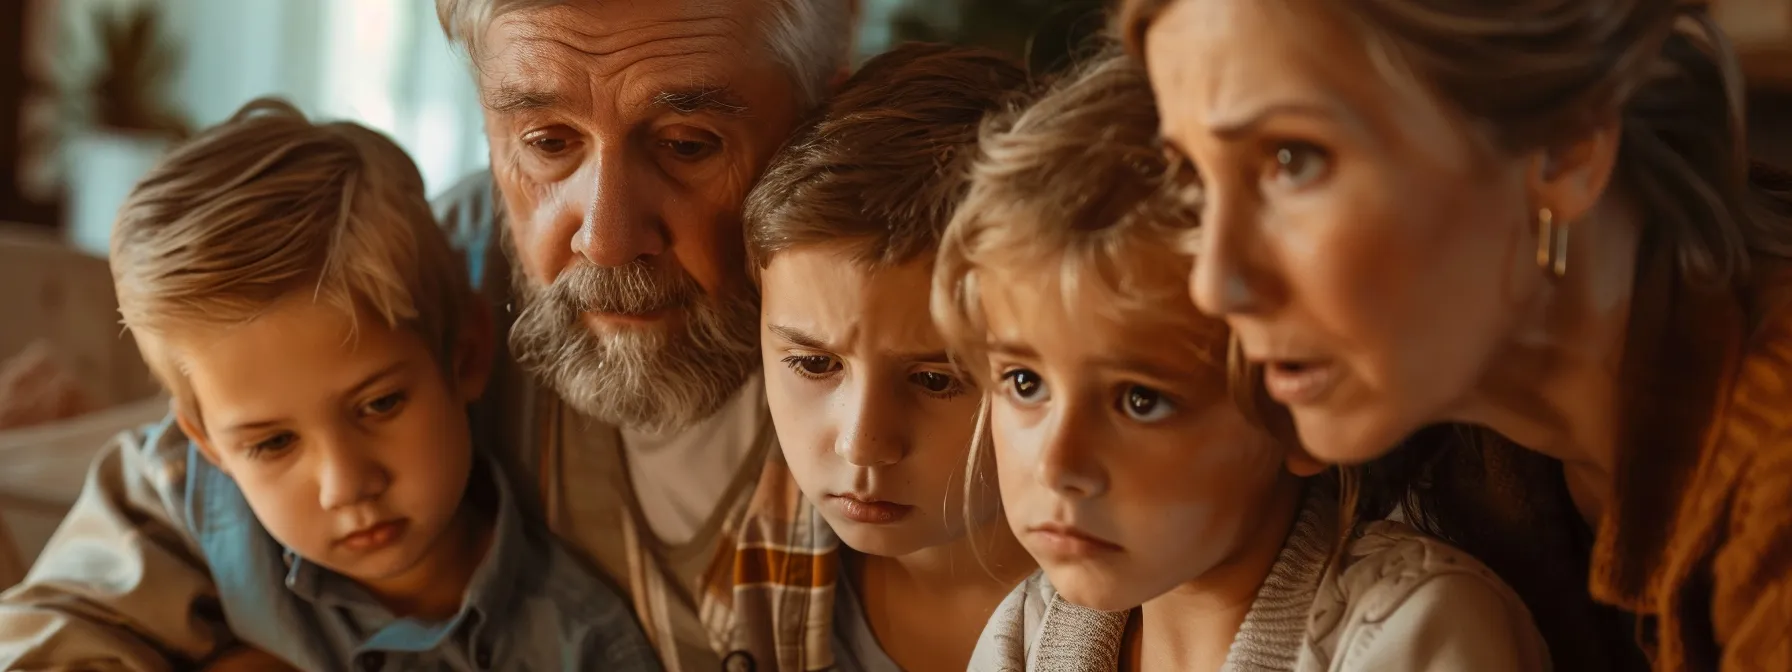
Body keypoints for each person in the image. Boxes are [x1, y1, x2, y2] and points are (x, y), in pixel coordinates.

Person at [0, 1, 858, 670]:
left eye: (686, 143)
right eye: (548, 142)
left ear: (823, 104)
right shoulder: (423, 274)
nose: (601, 236)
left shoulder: (921, 346)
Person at [1121, 0, 1792, 668]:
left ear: (1565, 148)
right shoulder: (1441, 438)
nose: (1214, 282)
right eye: (1195, 182)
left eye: (1294, 160)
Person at [2, 99, 660, 671]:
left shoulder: (580, 644)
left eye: (379, 404)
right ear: (206, 441)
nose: (346, 484)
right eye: (272, 444)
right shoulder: (179, 497)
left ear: (465, 354)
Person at [940, 50, 1546, 672]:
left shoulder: (1416, 632)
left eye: (1140, 400)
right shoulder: (1024, 634)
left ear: (1300, 403)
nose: (1058, 464)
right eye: (1024, 381)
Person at [744, 42, 1037, 671]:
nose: (863, 444)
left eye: (936, 378)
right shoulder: (750, 569)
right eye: (814, 364)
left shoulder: (1154, 618)